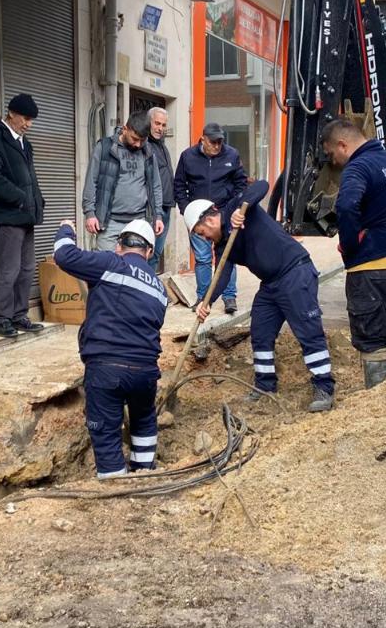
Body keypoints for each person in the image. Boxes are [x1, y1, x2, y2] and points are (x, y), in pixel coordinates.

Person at [185, 181, 335, 412]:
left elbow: (262, 186)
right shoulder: (222, 244)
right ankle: (265, 386)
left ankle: (324, 387)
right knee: (260, 332)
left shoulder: (238, 209)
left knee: (308, 331)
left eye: (202, 233)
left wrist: (241, 209)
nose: (204, 238)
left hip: (295, 272)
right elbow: (222, 275)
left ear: (210, 219)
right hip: (270, 285)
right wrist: (206, 302)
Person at [52, 218, 168, 478]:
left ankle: (115, 486)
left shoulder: (110, 263)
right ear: (149, 252)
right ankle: (144, 475)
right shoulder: (160, 289)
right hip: (146, 371)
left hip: (107, 369)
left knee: (105, 431)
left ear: (119, 246)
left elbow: (63, 255)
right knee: (144, 420)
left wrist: (66, 228)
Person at [322, 119, 386, 387]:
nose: (334, 162)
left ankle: (379, 409)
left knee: (372, 341)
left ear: (342, 145)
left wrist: (350, 245)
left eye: (332, 154)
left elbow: (346, 207)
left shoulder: (358, 167)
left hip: (370, 268)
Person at [0, 93, 46, 339]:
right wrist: (18, 197)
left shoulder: (24, 143)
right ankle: (2, 319)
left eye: (32, 120)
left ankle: (20, 315)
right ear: (12, 113)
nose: (29, 124)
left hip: (25, 215)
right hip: (8, 215)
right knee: (9, 269)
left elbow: (30, 178)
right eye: (25, 118)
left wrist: (37, 201)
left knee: (27, 269)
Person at [174, 123, 247, 314]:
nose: (217, 146)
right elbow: (179, 186)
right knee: (203, 258)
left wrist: (235, 209)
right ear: (203, 139)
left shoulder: (231, 154)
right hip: (198, 217)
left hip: (224, 215)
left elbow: (241, 184)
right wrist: (186, 210)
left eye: (220, 142)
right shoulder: (188, 157)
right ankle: (203, 297)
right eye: (213, 142)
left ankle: (229, 296)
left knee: (227, 256)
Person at [82, 110, 165, 253]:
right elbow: (91, 181)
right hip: (109, 223)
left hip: (139, 222)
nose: (138, 144)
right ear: (125, 129)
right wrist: (90, 213)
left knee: (134, 269)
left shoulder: (148, 151)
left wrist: (158, 215)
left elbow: (156, 185)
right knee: (108, 269)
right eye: (134, 139)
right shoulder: (105, 147)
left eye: (143, 140)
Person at [145, 107, 174, 273]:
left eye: (163, 125)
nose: (160, 128)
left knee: (156, 252)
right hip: (152, 209)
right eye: (157, 123)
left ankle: (150, 288)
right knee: (148, 252)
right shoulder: (145, 146)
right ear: (149, 122)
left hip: (166, 206)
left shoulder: (162, 145)